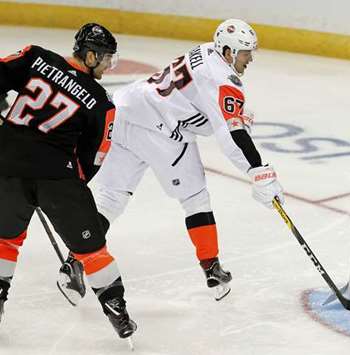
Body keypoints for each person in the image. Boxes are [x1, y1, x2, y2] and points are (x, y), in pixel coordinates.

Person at [58, 18, 284, 303]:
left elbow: (202, 107)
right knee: (196, 198)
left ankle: (73, 263)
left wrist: (233, 118)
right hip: (159, 130)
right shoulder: (225, 81)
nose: (249, 58)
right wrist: (257, 170)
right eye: (245, 52)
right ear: (227, 52)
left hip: (125, 111)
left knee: (111, 198)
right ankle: (211, 267)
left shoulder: (205, 50)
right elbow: (230, 133)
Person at [0, 23, 137, 338]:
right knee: (93, 251)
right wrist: (70, 188)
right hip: (58, 178)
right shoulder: (100, 102)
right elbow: (95, 156)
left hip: (5, 164)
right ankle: (118, 313)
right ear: (90, 55)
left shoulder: (36, 57)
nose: (107, 66)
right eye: (105, 59)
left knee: (4, 240)